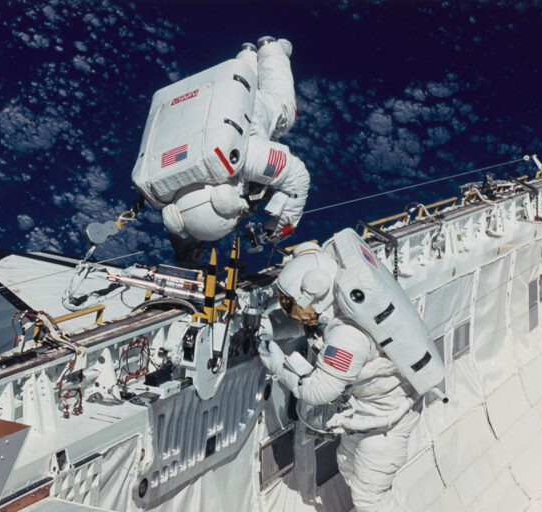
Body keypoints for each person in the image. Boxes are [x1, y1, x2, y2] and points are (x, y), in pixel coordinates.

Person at [258, 240, 424, 512]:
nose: (296, 314)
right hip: (365, 416)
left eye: (295, 306)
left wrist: (275, 363)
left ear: (317, 293)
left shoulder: (349, 335)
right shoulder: (345, 303)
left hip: (388, 423)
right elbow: (311, 327)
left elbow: (318, 391)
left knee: (371, 498)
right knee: (348, 467)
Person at [158, 37, 310, 265]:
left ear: (227, 200)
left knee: (284, 111)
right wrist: (186, 254)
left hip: (256, 107)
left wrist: (277, 230)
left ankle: (272, 49)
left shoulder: (245, 157)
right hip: (218, 95)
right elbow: (181, 220)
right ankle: (247, 55)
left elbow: (297, 178)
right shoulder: (168, 188)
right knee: (241, 80)